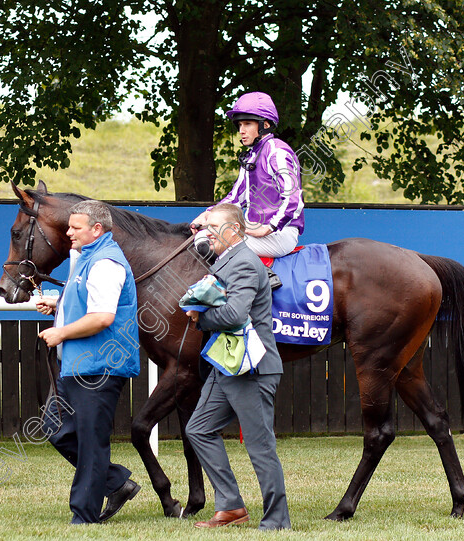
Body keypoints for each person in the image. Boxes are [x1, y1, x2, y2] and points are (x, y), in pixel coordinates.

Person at [184, 203, 291, 530]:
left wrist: (200, 317)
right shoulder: (228, 260)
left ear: (233, 230)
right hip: (227, 364)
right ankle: (230, 507)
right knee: (198, 429)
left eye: (213, 228)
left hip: (252, 369)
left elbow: (233, 315)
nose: (207, 234)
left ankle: (277, 521)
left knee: (260, 447)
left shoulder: (243, 262)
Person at [35, 199, 141, 525]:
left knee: (91, 442)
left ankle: (84, 516)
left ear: (97, 229)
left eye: (75, 227)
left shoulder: (105, 263)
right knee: (56, 429)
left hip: (99, 366)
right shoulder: (86, 258)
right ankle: (116, 483)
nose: (68, 233)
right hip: (81, 364)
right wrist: (59, 304)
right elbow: (89, 301)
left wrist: (60, 333)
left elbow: (103, 317)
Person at [191, 91, 304, 289]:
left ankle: (265, 276)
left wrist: (267, 228)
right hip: (253, 229)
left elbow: (293, 199)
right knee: (201, 237)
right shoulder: (252, 155)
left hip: (280, 232)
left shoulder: (277, 151)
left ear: (265, 125)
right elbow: (235, 197)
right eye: (240, 125)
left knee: (220, 241)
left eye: (248, 124)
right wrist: (207, 215)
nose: (242, 130)